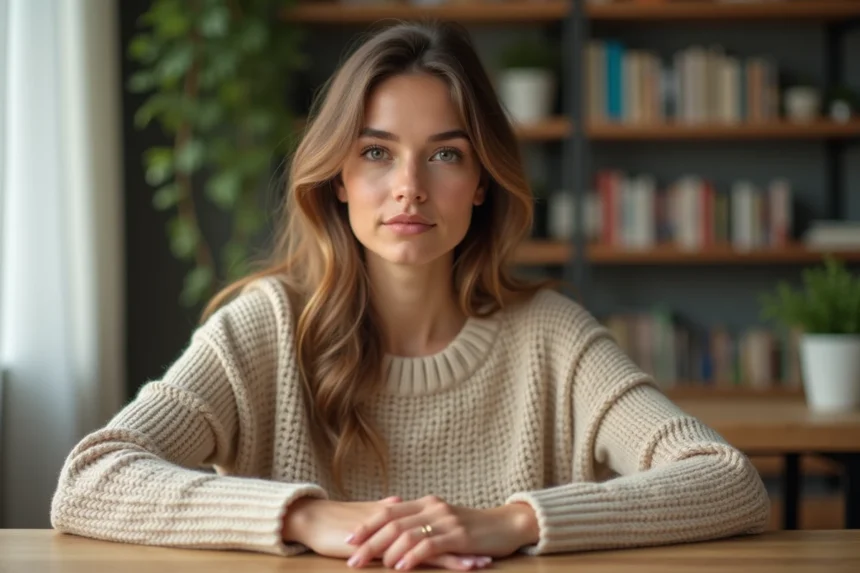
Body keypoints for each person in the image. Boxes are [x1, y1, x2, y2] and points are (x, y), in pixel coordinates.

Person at [51, 21, 770, 572]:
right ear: (338, 175)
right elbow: (90, 479)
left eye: (446, 155)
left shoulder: (552, 336)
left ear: (482, 181)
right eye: (376, 152)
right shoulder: (263, 328)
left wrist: (512, 520)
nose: (409, 187)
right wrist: (305, 516)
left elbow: (726, 481)